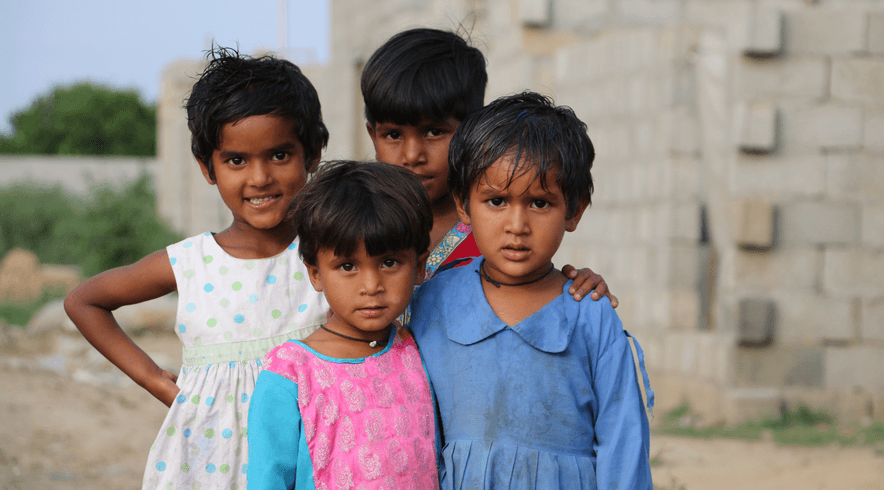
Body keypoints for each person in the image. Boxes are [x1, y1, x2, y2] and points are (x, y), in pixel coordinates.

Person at [64, 47, 331, 490]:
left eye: (280, 156)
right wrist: (157, 381)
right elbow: (83, 300)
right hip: (212, 464)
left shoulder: (331, 256)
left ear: (313, 154)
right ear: (208, 167)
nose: (260, 177)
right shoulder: (191, 263)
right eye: (236, 160)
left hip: (311, 455)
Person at [407, 92, 655, 489]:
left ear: (574, 210)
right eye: (496, 201)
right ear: (465, 206)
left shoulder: (589, 312)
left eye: (539, 203)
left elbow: (622, 441)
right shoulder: (431, 302)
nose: (517, 224)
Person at [361, 28, 615, 305]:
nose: (412, 155)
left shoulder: (498, 229)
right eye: (393, 135)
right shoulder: (353, 221)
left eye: (434, 132)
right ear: (373, 135)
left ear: (472, 129)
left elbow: (542, 293)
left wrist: (580, 286)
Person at [247, 161, 439, 489]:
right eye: (347, 266)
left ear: (419, 267)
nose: (371, 285)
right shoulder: (290, 374)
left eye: (389, 262)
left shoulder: (418, 348)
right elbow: (268, 479)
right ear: (316, 274)